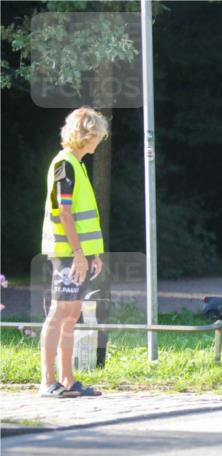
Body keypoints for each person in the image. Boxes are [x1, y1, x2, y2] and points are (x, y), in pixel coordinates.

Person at [39, 107, 108, 397]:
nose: (100, 141)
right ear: (86, 135)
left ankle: (68, 380)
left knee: (72, 314)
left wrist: (92, 254)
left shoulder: (78, 165)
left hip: (79, 253)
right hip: (67, 252)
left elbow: (82, 216)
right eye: (98, 135)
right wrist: (79, 252)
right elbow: (63, 212)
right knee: (59, 313)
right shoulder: (64, 165)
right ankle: (48, 381)